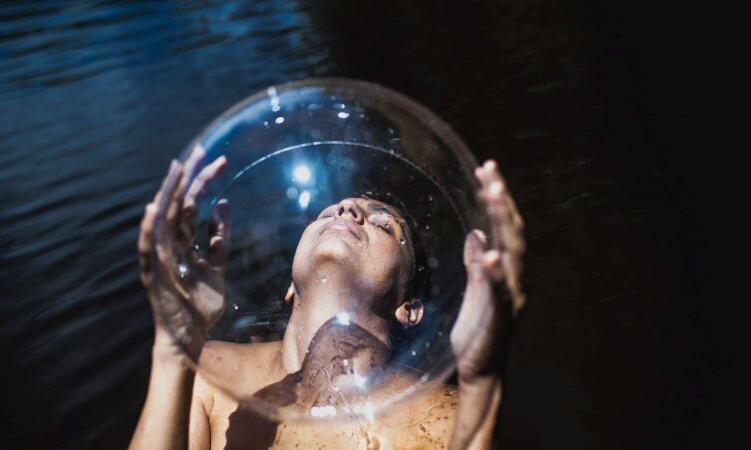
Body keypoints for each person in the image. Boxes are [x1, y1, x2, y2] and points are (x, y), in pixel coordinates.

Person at [130, 144, 525, 450]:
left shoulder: (441, 415)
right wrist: (172, 346)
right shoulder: (207, 372)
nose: (348, 209)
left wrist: (483, 379)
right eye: (327, 213)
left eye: (384, 225)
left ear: (409, 307)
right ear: (289, 287)